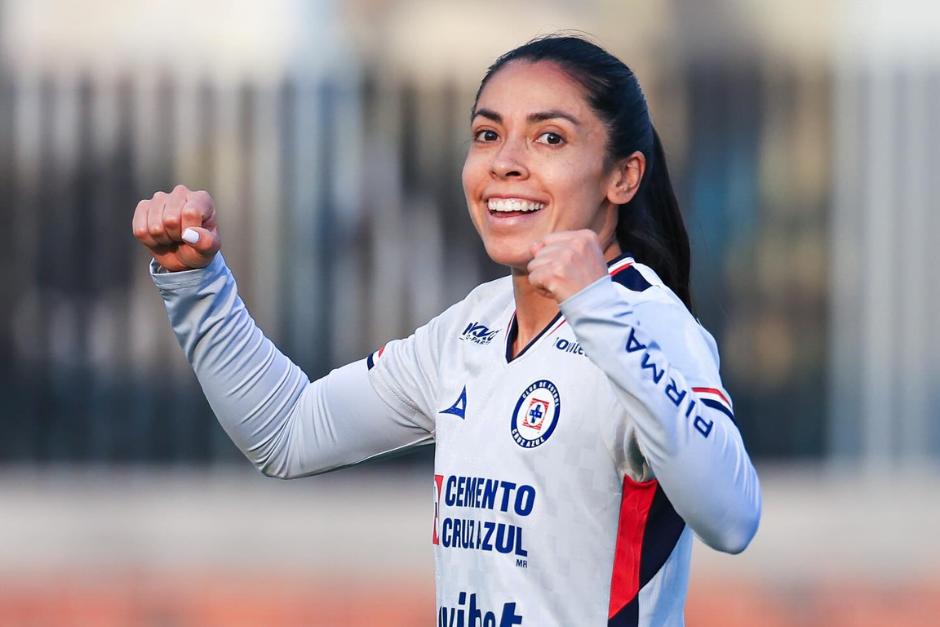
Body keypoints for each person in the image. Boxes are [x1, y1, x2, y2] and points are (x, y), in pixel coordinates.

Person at [132, 35, 760, 627]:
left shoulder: (647, 321)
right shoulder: (473, 327)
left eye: (549, 138)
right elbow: (289, 432)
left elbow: (732, 518)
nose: (506, 163)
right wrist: (197, 286)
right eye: (488, 134)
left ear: (622, 177)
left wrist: (597, 311)